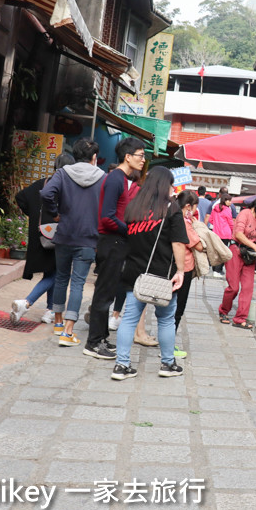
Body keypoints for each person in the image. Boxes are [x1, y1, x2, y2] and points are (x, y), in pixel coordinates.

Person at [112, 166, 188, 380]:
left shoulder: (134, 207)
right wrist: (181, 270)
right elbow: (178, 243)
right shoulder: (171, 208)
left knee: (129, 319)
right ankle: (167, 364)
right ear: (166, 185)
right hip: (163, 274)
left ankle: (122, 365)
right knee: (165, 319)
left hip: (135, 272)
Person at [82, 138, 145, 360]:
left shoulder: (123, 179)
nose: (143, 160)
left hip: (117, 242)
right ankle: (93, 343)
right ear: (128, 156)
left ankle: (101, 337)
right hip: (111, 242)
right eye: (140, 155)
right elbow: (107, 217)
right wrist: (128, 230)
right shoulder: (115, 179)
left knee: (108, 292)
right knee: (104, 294)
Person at [40, 138, 104, 346]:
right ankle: (68, 332)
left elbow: (47, 193)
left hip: (65, 234)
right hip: (88, 238)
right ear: (94, 157)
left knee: (61, 278)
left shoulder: (63, 173)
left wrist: (55, 213)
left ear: (75, 155)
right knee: (78, 283)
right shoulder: (103, 178)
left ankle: (58, 323)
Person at [10, 152, 76, 324]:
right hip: (57, 237)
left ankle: (50, 310)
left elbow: (20, 197)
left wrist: (33, 215)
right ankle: (26, 302)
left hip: (39, 235)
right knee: (59, 273)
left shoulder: (44, 183)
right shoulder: (66, 187)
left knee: (51, 271)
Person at [218, 194, 256, 328]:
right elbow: (239, 234)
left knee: (248, 288)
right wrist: (255, 247)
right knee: (233, 287)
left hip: (249, 256)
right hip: (236, 251)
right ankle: (223, 310)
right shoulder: (245, 213)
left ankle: (240, 319)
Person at [173, 189, 204, 359]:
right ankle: (169, 345)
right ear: (187, 206)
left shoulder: (171, 215)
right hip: (183, 268)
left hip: (173, 267)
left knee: (170, 307)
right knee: (178, 308)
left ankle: (167, 342)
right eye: (193, 208)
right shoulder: (184, 222)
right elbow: (198, 245)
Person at [207, 188, 235, 275]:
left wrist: (217, 223)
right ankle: (218, 270)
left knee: (216, 250)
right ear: (224, 201)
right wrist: (232, 230)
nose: (230, 203)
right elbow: (231, 222)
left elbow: (210, 220)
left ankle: (214, 268)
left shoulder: (215, 208)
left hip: (216, 232)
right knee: (223, 251)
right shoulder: (227, 210)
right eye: (229, 201)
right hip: (225, 234)